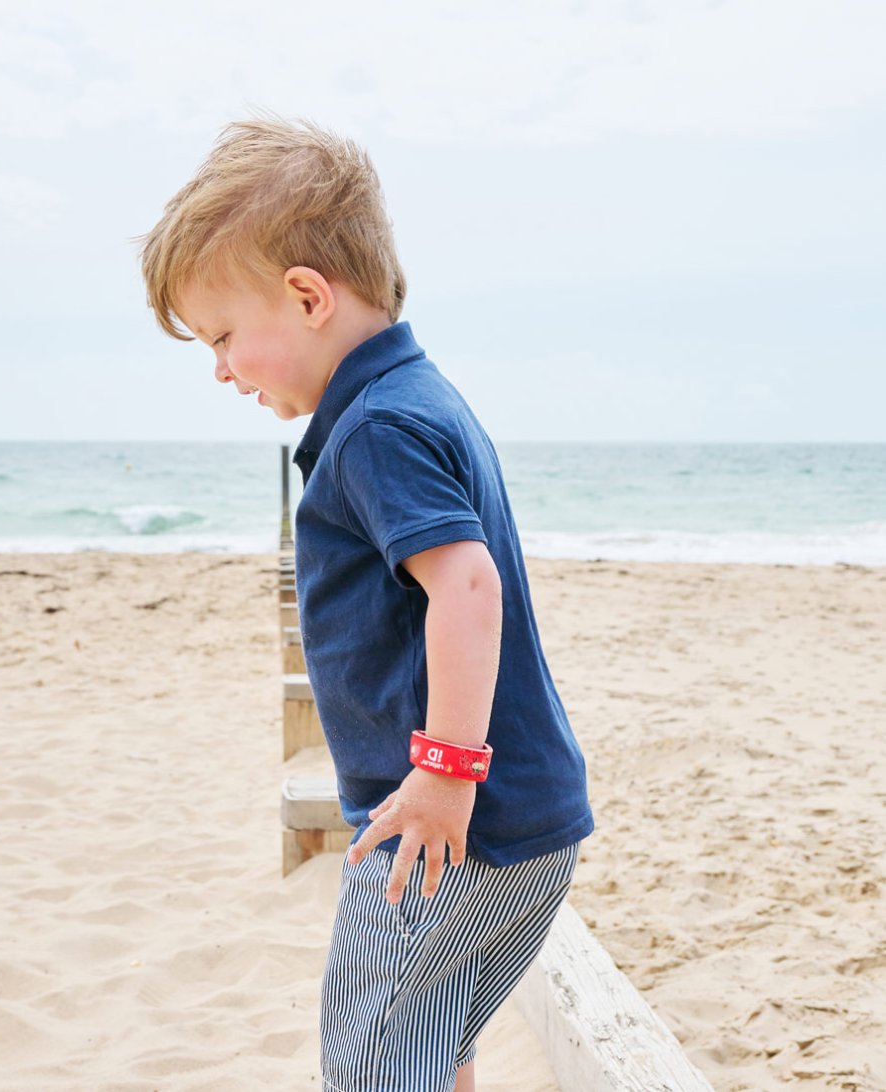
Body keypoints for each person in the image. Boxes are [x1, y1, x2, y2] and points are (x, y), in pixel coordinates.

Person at [139, 117, 594, 1092]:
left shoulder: (378, 429)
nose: (219, 368)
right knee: (429, 1044)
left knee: (373, 1064)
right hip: (516, 822)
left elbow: (468, 587)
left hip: (446, 831)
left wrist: (443, 775)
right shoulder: (416, 399)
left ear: (308, 297)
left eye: (223, 337)